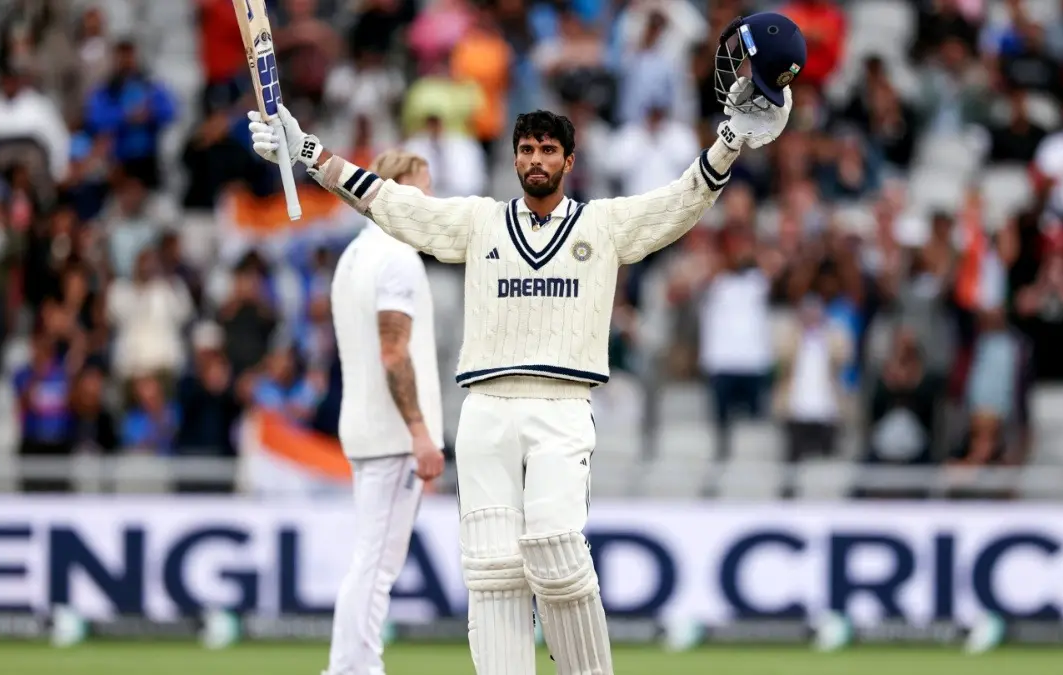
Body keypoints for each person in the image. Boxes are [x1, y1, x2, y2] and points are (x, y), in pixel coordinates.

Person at [250, 12, 803, 673]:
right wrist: (307, 150)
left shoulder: (604, 224)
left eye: (549, 150)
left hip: (561, 404)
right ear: (515, 159)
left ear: (569, 161)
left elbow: (680, 202)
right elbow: (393, 205)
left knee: (555, 545)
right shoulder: (479, 223)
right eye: (527, 150)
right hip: (484, 407)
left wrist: (729, 146)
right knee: (490, 571)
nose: (536, 160)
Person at [323, 150, 445, 675]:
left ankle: (349, 666)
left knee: (370, 560)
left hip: (365, 426)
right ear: (391, 189)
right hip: (394, 435)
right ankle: (354, 669)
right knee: (376, 565)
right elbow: (392, 351)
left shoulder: (354, 254)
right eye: (420, 190)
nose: (430, 202)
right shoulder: (397, 255)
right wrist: (420, 432)